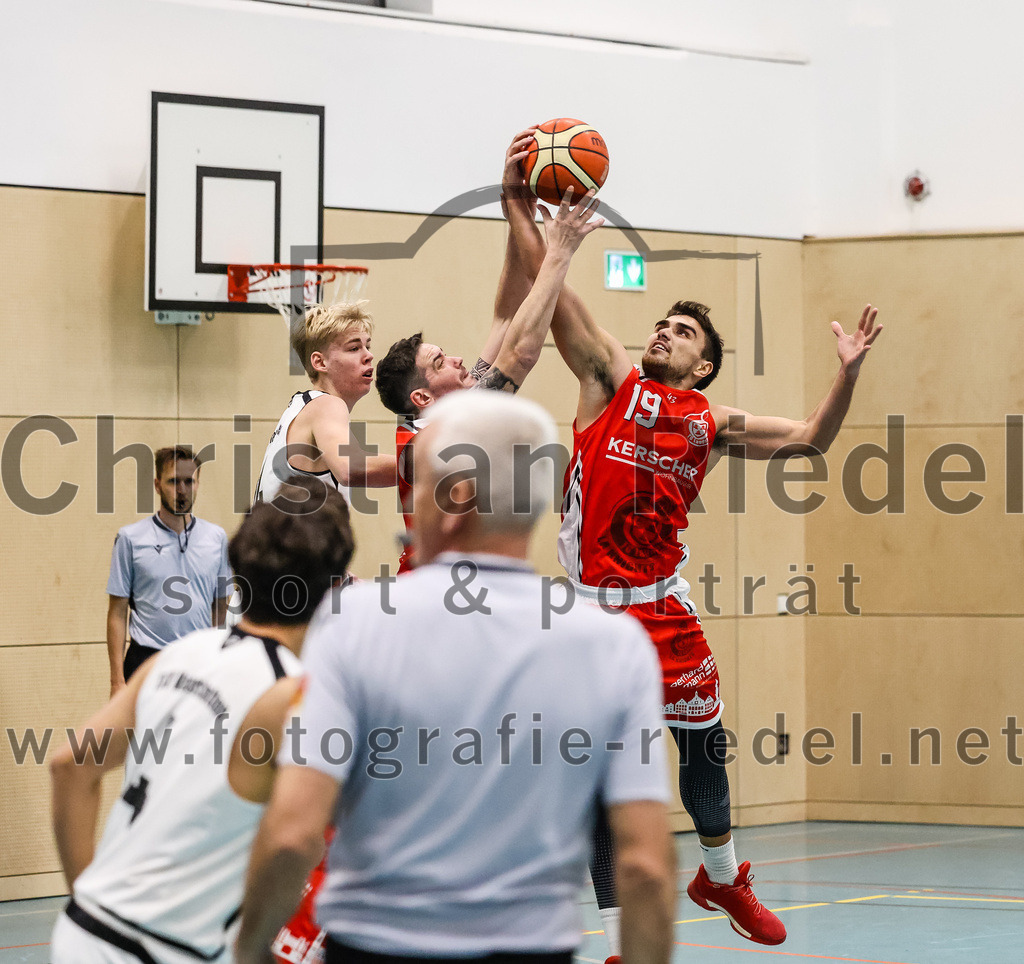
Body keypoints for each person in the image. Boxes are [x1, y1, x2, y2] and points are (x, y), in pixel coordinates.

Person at [503, 167, 882, 949]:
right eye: (664, 325)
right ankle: (617, 943)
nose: (665, 333)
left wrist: (846, 376)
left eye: (684, 332)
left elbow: (810, 439)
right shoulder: (609, 381)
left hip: (664, 603)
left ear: (704, 365)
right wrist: (529, 217)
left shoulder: (712, 420)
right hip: (593, 613)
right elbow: (557, 304)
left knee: (705, 745)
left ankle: (723, 874)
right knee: (606, 785)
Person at [235, 391, 677, 964]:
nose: (410, 504)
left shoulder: (355, 624)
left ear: (455, 499)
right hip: (533, 947)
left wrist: (248, 951)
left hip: (377, 945)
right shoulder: (614, 647)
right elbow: (644, 863)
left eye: (417, 486)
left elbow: (294, 832)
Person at [51, 478, 354, 964]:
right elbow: (294, 841)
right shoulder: (294, 695)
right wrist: (252, 951)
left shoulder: (176, 655)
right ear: (334, 587)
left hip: (82, 934)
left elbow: (69, 764)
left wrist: (86, 901)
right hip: (168, 949)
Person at [375, 129, 602, 570]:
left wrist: (515, 210)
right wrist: (556, 255)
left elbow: (504, 316)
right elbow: (519, 355)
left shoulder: (458, 404)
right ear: (421, 397)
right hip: (432, 587)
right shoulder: (430, 434)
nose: (458, 359)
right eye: (440, 362)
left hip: (461, 580)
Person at [105, 444, 231, 698]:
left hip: (197, 659)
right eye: (173, 482)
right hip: (146, 659)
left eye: (189, 481)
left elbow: (220, 606)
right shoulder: (130, 539)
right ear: (157, 484)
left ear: (198, 483)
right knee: (145, 738)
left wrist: (218, 659)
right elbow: (117, 613)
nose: (182, 490)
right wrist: (117, 680)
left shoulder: (216, 538)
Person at [255, 301, 397, 504]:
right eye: (354, 348)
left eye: (368, 346)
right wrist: (426, 464)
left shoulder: (299, 407)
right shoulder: (326, 404)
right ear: (320, 362)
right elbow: (350, 467)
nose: (369, 355)